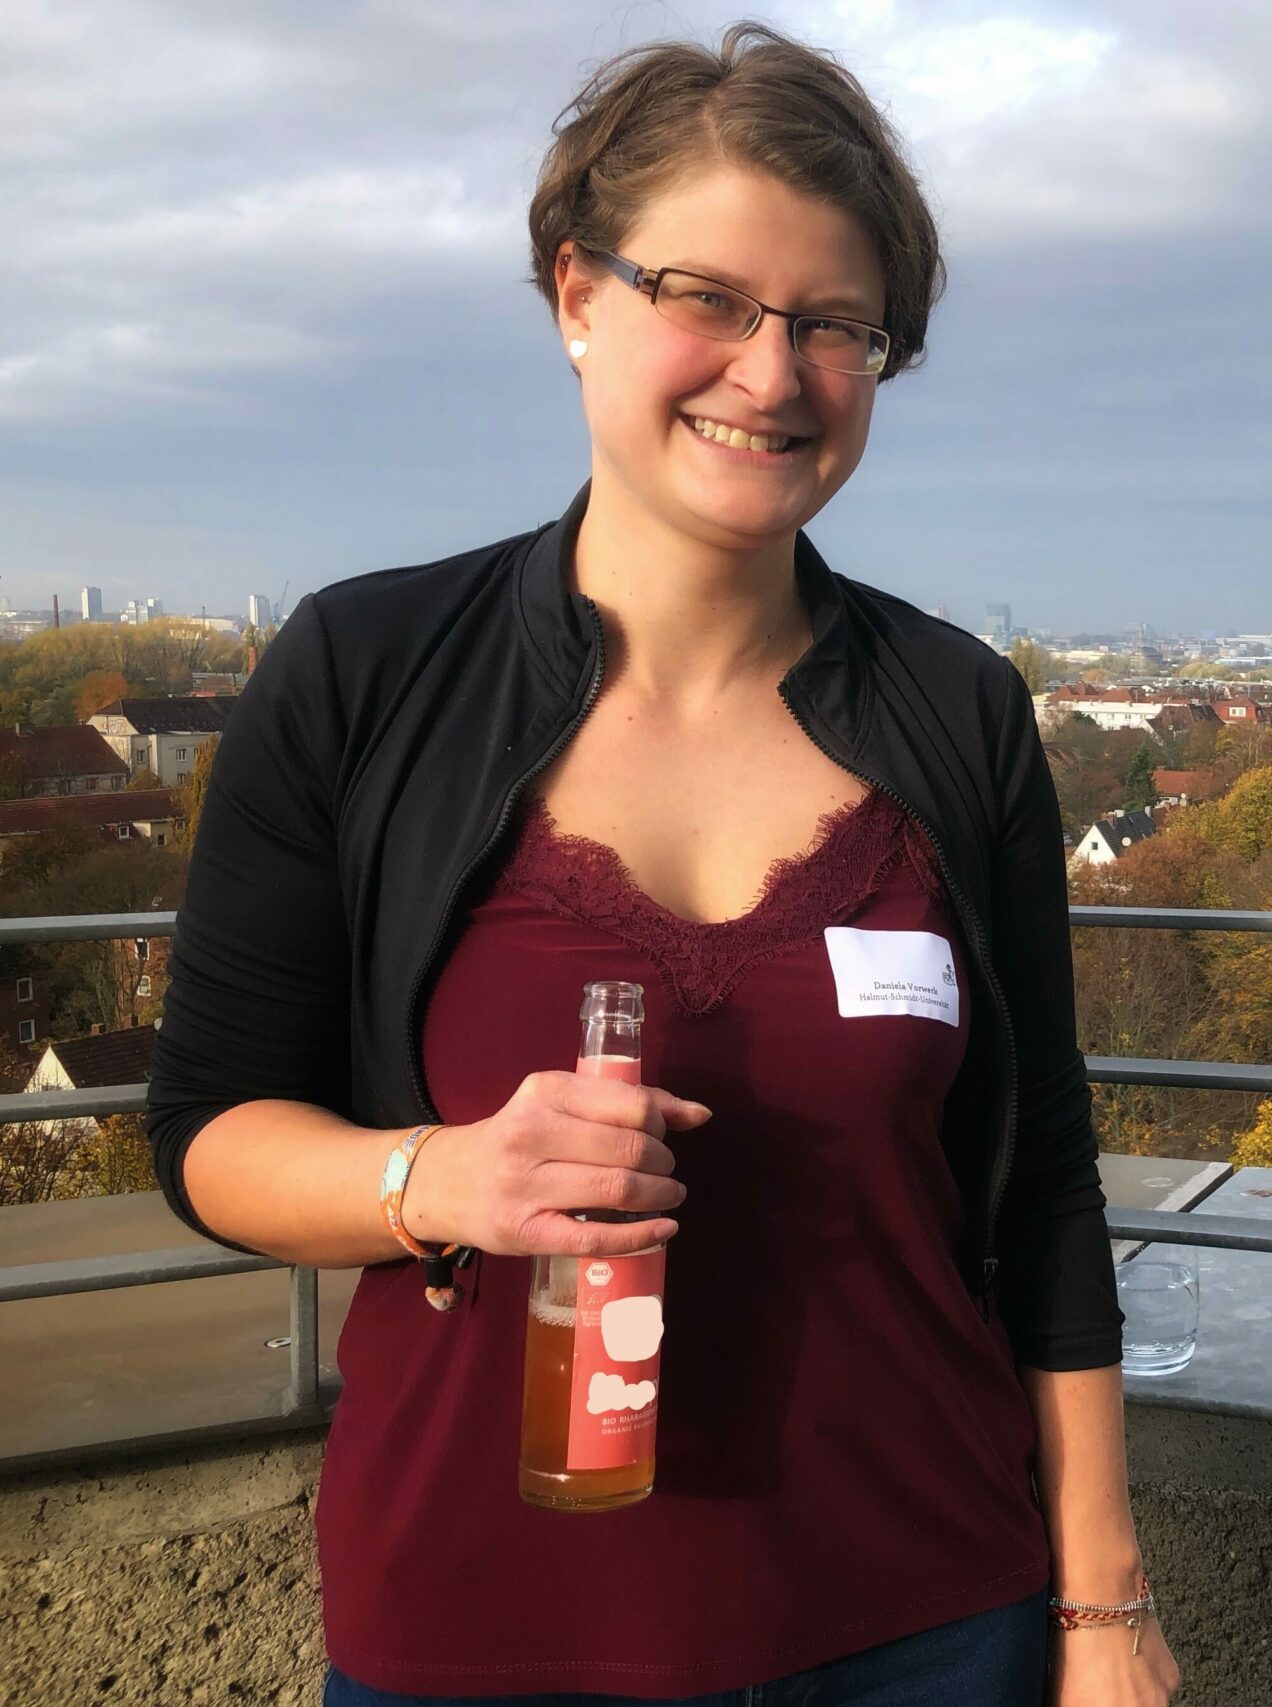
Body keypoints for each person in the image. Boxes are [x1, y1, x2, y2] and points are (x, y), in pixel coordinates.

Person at [145, 23, 1182, 1707]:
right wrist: (441, 1180)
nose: (772, 374)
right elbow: (208, 1138)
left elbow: (1043, 1188)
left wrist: (1101, 1601)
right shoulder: (365, 673)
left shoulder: (953, 711)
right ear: (575, 294)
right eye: (705, 295)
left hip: (926, 1620)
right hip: (479, 1629)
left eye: (839, 325)